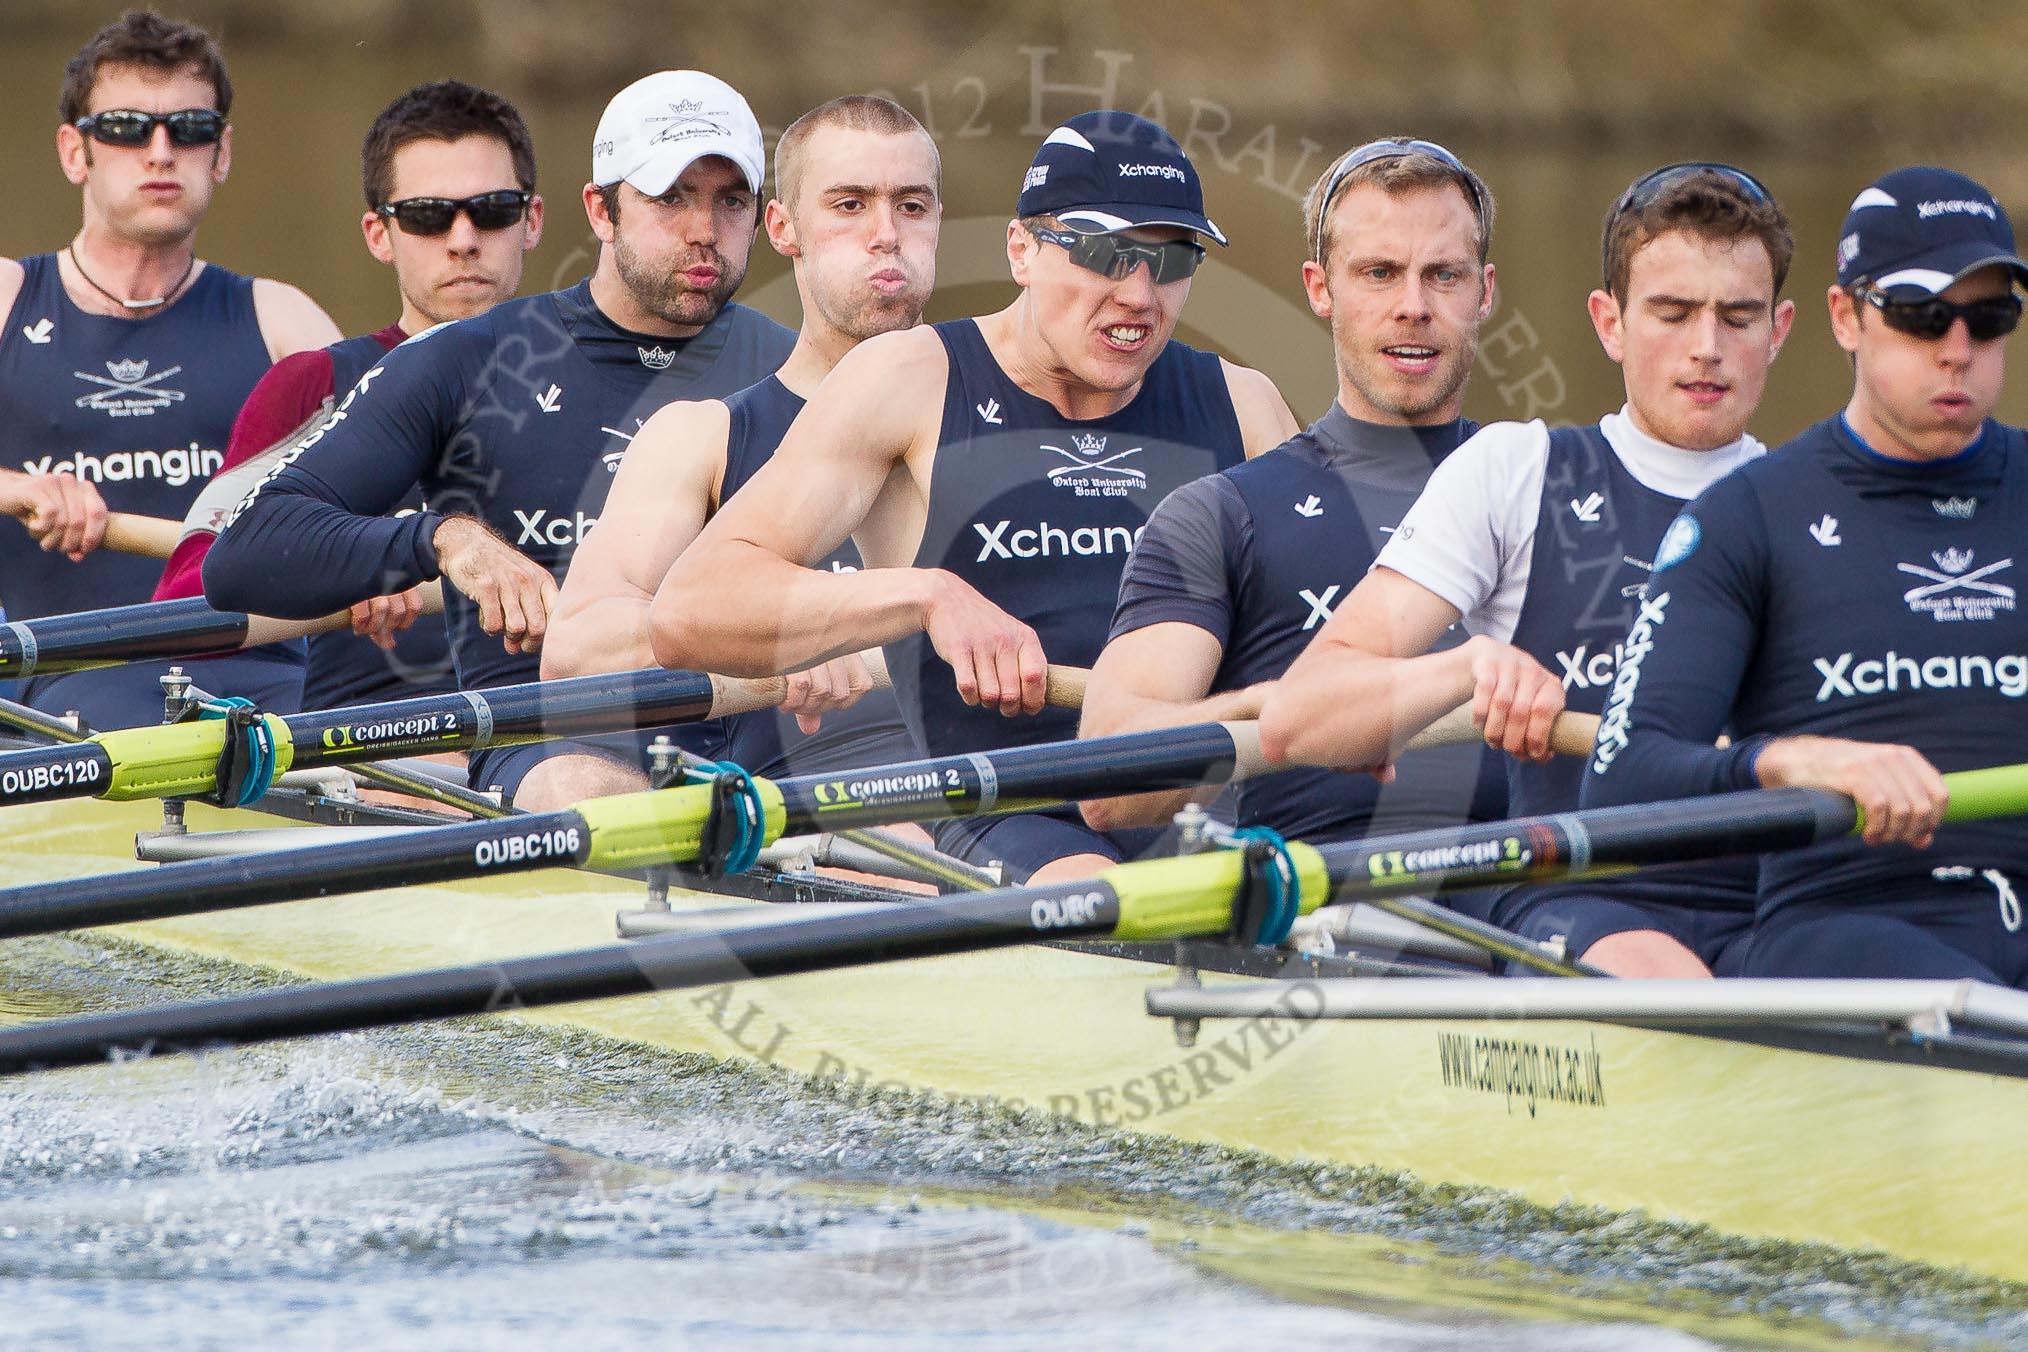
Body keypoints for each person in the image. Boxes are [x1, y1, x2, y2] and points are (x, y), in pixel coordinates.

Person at [649, 110, 1297, 883]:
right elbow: (688, 611)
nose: (1138, 294)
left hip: (1199, 804)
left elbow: (1330, 628)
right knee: (1104, 899)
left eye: (1171, 257)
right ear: (1022, 250)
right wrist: (924, 598)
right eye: (1103, 252)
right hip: (1007, 805)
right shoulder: (910, 379)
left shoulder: (1244, 404)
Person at [204, 70, 794, 810]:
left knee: (910, 839)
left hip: (768, 743)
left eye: (729, 200)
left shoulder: (805, 374)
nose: (704, 228)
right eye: (670, 197)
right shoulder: (465, 359)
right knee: (593, 793)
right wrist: (442, 542)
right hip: (557, 745)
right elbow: (243, 557)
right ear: (600, 210)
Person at [1261, 164, 1797, 977]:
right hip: (1584, 894)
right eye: (1673, 312)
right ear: (1609, 323)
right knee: (1677, 986)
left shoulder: (1818, 504)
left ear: (1780, 329)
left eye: (1738, 316)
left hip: (1782, 903)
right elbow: (1300, 720)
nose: (1706, 349)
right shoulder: (1517, 470)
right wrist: (1469, 667)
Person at [1582, 166, 2028, 986]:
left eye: (1989, 316)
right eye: (1922, 316)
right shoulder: (1746, 519)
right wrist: (1791, 762)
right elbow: (1623, 777)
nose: (1958, 350)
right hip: (1854, 932)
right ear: (1846, 317)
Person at [1080, 137, 1507, 844]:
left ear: (1483, 291)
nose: (1413, 306)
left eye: (1444, 275)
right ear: (1319, 287)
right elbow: (1106, 784)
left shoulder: (1558, 486)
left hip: (1556, 901)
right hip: (1326, 921)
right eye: (1378, 273)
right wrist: (1274, 711)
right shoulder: (1220, 516)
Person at [545, 95, 935, 785]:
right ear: (783, 228)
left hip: (1003, 812)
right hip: (802, 829)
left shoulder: (1014, 412)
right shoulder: (703, 438)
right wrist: (787, 631)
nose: (887, 235)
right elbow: (577, 650)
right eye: (849, 205)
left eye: (911, 205)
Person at [154, 79, 543, 717]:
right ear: (378, 234)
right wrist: (358, 560)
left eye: (494, 209)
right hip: (374, 750)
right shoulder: (315, 386)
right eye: (426, 215)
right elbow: (189, 589)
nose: (464, 238)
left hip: (563, 720)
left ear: (532, 220)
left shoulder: (611, 376)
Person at [0, 10, 340, 729]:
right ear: (74, 151)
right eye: (126, 128)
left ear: (219, 155)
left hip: (259, 691)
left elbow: (378, 515)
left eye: (189, 130)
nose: (160, 152)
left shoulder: (283, 322)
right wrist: (20, 489)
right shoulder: (5, 298)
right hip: (60, 690)